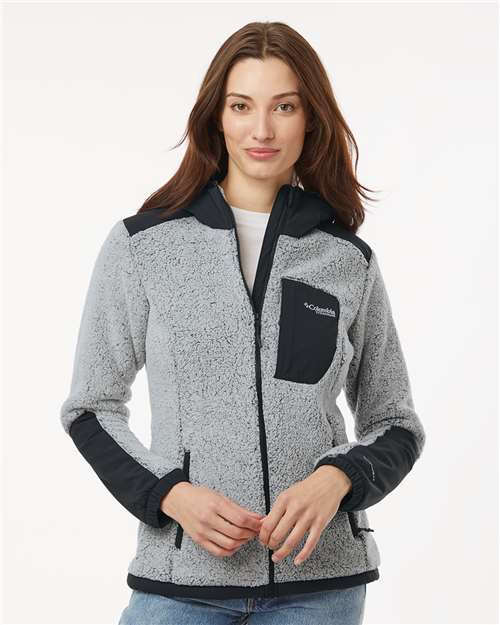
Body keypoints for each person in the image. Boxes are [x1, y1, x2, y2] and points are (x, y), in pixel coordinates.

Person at [60, 20, 426, 625]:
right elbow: (90, 409)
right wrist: (170, 494)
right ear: (217, 117)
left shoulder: (346, 260)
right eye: (241, 105)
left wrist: (337, 478)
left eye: (284, 106)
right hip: (180, 580)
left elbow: (397, 424)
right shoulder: (143, 247)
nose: (262, 129)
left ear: (310, 120)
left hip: (321, 587)